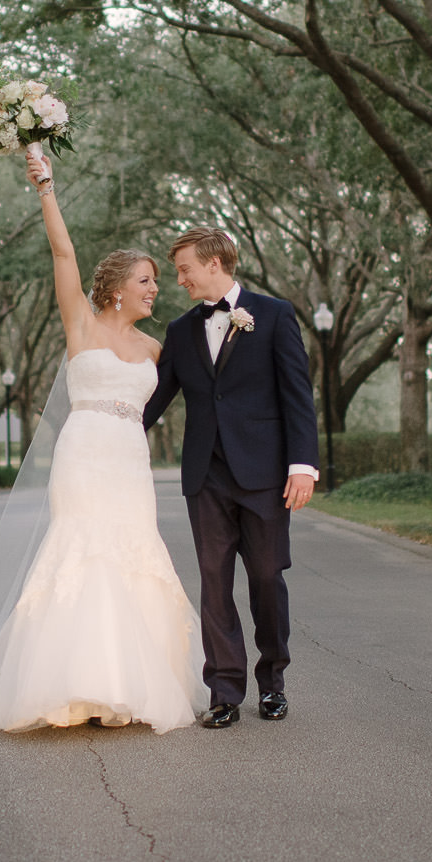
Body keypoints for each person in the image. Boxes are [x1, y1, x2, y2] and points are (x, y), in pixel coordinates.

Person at [0, 149, 208, 733]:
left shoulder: (160, 350)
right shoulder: (80, 321)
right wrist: (46, 187)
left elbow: (206, 389)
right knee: (82, 550)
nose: (156, 289)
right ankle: (70, 686)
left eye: (157, 280)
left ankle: (124, 686)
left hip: (130, 461)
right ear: (116, 290)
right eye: (147, 280)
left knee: (132, 553)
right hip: (83, 457)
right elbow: (63, 251)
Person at [143, 227, 320, 728]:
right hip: (206, 477)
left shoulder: (275, 315)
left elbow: (297, 397)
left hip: (265, 475)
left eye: (184, 269)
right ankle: (224, 691)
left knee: (266, 577)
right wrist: (107, 429)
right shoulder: (179, 331)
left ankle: (273, 685)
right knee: (215, 583)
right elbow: (156, 400)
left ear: (215, 264)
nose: (178, 280)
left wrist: (302, 465)